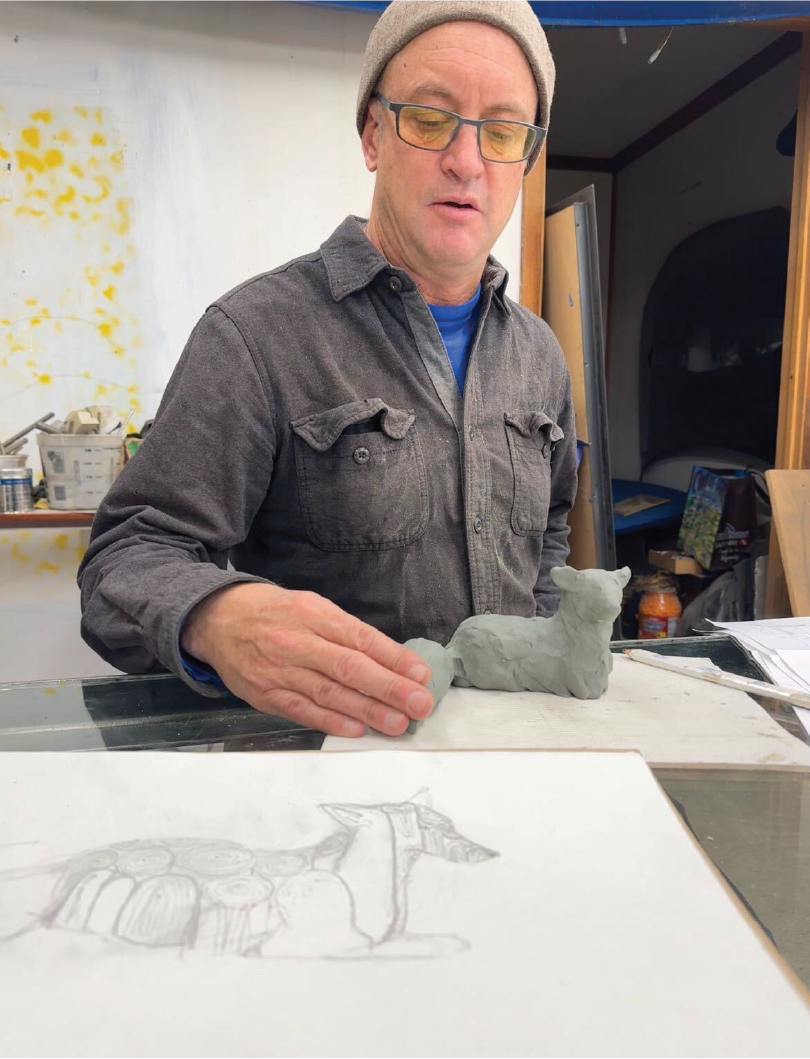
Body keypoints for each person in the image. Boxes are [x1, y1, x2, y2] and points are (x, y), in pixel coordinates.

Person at [78, 0, 578, 739]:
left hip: (512, 768)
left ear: (526, 157)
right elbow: (123, 558)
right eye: (430, 118)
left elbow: (551, 536)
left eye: (501, 131)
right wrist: (215, 617)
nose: (467, 160)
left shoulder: (540, 355)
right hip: (322, 791)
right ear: (374, 134)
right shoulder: (256, 335)